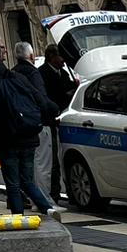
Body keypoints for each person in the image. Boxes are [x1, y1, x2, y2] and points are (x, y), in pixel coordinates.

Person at [0, 36, 59, 217]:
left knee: (12, 183)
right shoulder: (17, 77)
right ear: (0, 54)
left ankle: (18, 218)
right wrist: (50, 113)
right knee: (28, 180)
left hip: (7, 139)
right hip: (28, 135)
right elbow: (41, 101)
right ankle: (48, 209)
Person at [15, 42, 57, 202]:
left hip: (19, 125)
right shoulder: (33, 73)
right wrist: (54, 110)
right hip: (37, 123)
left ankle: (30, 198)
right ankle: (44, 200)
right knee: (42, 164)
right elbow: (41, 98)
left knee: (27, 165)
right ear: (31, 56)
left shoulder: (12, 73)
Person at [40, 47, 79, 204]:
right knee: (52, 161)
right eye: (60, 56)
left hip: (64, 119)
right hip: (51, 120)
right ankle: (53, 194)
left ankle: (66, 192)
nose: (63, 60)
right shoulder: (42, 74)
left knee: (63, 159)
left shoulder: (62, 74)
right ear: (51, 57)